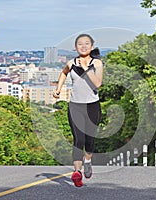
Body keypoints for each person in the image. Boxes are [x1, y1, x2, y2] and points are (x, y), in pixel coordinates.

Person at [53, 34, 103, 187]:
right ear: (76, 47)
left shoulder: (97, 63)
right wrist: (58, 88)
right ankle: (77, 172)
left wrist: (85, 68)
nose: (83, 46)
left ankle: (87, 160)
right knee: (78, 140)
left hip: (92, 106)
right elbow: (64, 73)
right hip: (75, 106)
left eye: (87, 43)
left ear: (92, 46)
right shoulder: (71, 63)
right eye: (80, 44)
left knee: (89, 140)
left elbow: (97, 84)